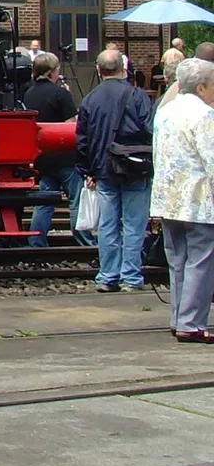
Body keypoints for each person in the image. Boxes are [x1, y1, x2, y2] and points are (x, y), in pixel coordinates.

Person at [76, 48, 156, 293]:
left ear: (99, 70)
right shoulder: (138, 96)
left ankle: (108, 276)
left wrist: (88, 171)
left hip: (104, 170)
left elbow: (82, 140)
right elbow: (152, 130)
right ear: (124, 68)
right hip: (135, 168)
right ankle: (131, 277)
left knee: (108, 224)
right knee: (134, 225)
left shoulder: (90, 99)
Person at [150, 57, 214, 343]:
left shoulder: (165, 111)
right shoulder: (204, 115)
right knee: (200, 260)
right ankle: (192, 322)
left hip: (167, 198)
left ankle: (178, 318)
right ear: (202, 87)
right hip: (198, 200)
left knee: (178, 260)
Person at [26, 52, 91, 249]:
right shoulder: (61, 94)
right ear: (53, 72)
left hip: (42, 157)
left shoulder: (28, 93)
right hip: (64, 157)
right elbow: (71, 125)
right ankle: (84, 240)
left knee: (45, 200)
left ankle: (36, 239)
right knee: (76, 201)